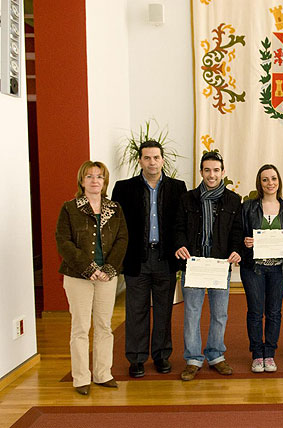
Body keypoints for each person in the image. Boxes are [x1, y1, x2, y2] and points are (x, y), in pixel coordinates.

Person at [112, 140, 187, 378]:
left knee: (164, 310)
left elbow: (181, 224)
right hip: (137, 259)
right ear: (140, 161)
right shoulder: (124, 188)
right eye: (147, 158)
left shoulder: (177, 187)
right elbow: (117, 227)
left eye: (156, 157)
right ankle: (136, 358)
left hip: (165, 259)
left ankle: (162, 355)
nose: (152, 162)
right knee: (136, 311)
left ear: (163, 160)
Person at [55, 161, 128, 395]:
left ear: (105, 181)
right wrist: (88, 268)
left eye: (99, 176)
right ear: (82, 181)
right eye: (89, 176)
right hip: (78, 276)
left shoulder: (115, 209)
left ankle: (102, 374)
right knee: (80, 327)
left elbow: (122, 239)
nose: (95, 180)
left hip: (107, 277)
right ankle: (80, 378)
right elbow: (63, 242)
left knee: (104, 326)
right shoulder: (70, 208)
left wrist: (109, 268)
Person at [174, 151, 243, 380]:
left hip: (219, 265)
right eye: (207, 170)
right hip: (193, 264)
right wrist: (180, 245)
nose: (211, 175)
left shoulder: (233, 200)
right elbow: (178, 227)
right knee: (192, 314)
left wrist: (236, 250)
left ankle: (216, 355)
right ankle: (193, 359)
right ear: (201, 172)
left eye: (216, 170)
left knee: (220, 314)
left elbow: (237, 230)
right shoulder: (187, 199)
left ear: (223, 172)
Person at [240, 164, 283, 373]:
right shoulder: (248, 206)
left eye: (273, 178)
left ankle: (270, 353)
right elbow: (238, 234)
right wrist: (245, 242)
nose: (270, 183)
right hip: (253, 268)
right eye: (265, 179)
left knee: (274, 312)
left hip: (279, 269)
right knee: (255, 312)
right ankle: (257, 354)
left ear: (279, 181)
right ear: (259, 182)